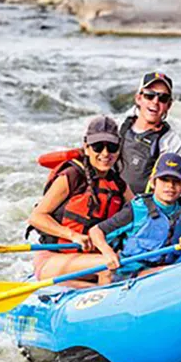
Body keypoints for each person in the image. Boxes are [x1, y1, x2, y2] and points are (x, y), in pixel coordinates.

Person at [28, 115, 135, 287]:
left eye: (112, 147)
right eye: (98, 147)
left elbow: (143, 213)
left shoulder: (118, 185)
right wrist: (72, 235)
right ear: (86, 147)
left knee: (126, 268)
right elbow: (36, 217)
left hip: (89, 261)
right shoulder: (72, 176)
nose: (105, 154)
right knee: (106, 265)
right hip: (54, 259)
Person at [88, 153, 181, 281]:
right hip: (132, 273)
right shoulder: (136, 209)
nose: (170, 186)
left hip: (166, 268)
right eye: (164, 180)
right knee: (171, 273)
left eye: (176, 182)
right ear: (152, 182)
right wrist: (107, 252)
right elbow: (96, 231)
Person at [119, 72, 181, 195]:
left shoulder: (174, 145)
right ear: (138, 98)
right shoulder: (117, 127)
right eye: (149, 95)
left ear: (169, 105)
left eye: (163, 98)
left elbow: (173, 192)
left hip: (144, 210)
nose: (155, 101)